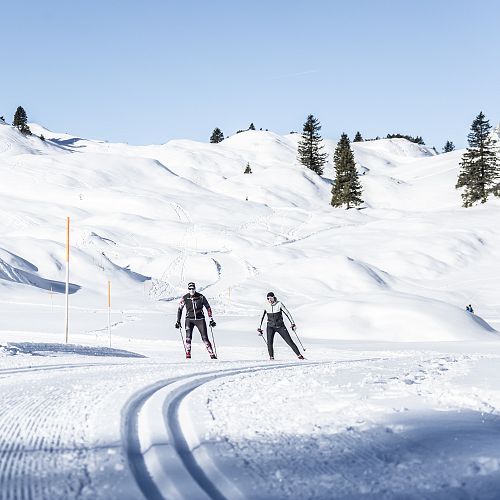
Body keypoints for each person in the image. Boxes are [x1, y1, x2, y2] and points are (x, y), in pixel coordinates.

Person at [257, 291, 304, 360]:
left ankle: (300, 356)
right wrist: (259, 327)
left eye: (271, 298)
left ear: (274, 298)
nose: (270, 300)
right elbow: (261, 316)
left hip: (280, 326)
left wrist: (292, 323)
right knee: (269, 343)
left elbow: (287, 313)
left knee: (289, 341)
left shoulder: (279, 304)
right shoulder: (265, 305)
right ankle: (271, 358)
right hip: (270, 327)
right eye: (268, 298)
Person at [175, 282, 217, 359]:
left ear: (195, 288)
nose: (192, 290)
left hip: (200, 319)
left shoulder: (201, 297)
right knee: (188, 338)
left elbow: (208, 307)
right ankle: (188, 356)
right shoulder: (185, 297)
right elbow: (180, 309)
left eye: (193, 288)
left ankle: (212, 355)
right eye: (190, 289)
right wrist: (178, 321)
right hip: (189, 320)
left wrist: (211, 319)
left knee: (205, 338)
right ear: (188, 289)